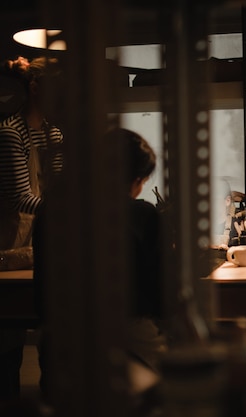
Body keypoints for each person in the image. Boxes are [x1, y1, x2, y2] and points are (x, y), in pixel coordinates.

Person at [33, 128, 167, 401]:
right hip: (129, 339)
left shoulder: (50, 211)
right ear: (133, 179)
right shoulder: (141, 215)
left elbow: (43, 289)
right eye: (141, 179)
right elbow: (159, 294)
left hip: (60, 341)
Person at [0, 55, 63, 404]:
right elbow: (20, 197)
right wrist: (67, 213)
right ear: (35, 88)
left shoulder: (53, 132)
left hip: (44, 238)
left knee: (51, 331)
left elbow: (58, 187)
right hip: (11, 239)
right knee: (8, 340)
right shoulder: (10, 132)